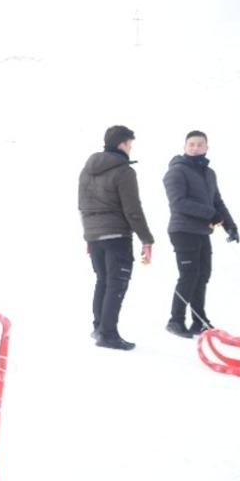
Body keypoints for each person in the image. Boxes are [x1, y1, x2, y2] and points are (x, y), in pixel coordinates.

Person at [78, 125, 154, 350]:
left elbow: (82, 205)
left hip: (95, 235)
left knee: (103, 280)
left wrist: (89, 237)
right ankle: (108, 334)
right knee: (116, 284)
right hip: (117, 235)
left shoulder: (87, 169)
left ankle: (100, 326)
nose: (131, 148)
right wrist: (146, 239)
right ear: (122, 143)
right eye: (130, 143)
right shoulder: (124, 171)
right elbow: (132, 209)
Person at [163, 130, 238, 337]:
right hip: (182, 230)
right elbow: (178, 203)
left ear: (206, 147)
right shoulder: (176, 171)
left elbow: (217, 202)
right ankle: (176, 320)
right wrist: (211, 214)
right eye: (191, 144)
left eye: (199, 144)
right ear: (185, 147)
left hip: (201, 231)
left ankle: (199, 321)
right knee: (189, 275)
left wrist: (230, 225)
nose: (195, 147)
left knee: (202, 275)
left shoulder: (208, 173)